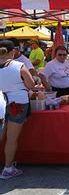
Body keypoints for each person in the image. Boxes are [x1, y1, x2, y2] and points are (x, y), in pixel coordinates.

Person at [0, 40, 39, 179]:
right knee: (11, 138)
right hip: (17, 103)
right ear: (13, 52)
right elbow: (30, 85)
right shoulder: (19, 66)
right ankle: (8, 168)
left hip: (1, 103)